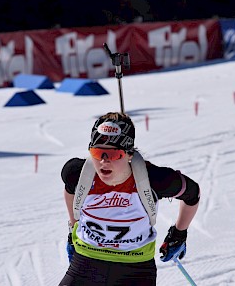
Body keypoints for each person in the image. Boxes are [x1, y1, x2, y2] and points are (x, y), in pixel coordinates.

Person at [59, 112, 200, 286]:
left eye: (113, 155)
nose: (104, 162)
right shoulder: (76, 174)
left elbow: (192, 193)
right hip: (86, 262)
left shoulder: (155, 179)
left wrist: (179, 233)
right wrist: (73, 228)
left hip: (135, 269)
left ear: (129, 154)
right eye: (98, 152)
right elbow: (70, 190)